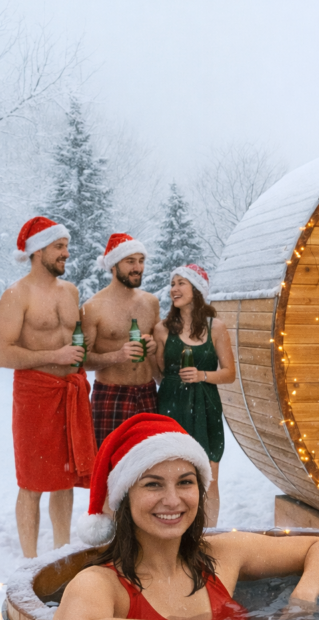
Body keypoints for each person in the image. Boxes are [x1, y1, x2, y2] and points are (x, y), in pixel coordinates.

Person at [50, 414, 319, 620]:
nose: (172, 500)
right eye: (153, 484)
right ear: (124, 498)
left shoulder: (222, 553)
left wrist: (301, 601)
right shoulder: (101, 583)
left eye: (185, 482)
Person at [0, 216, 97, 557]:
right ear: (38, 250)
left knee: (65, 478)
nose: (66, 253)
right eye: (59, 247)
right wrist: (54, 355)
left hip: (71, 392)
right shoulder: (16, 295)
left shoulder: (70, 291)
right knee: (32, 481)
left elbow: (79, 339)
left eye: (66, 246)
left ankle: (61, 553)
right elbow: (3, 352)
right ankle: (29, 561)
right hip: (35, 394)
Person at [154, 264, 235, 527]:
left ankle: (208, 534)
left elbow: (229, 373)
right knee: (174, 473)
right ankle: (178, 531)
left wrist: (202, 376)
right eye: (172, 284)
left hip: (205, 405)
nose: (174, 289)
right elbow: (159, 373)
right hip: (171, 405)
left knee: (208, 475)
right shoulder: (162, 329)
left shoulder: (216, 327)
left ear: (197, 290)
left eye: (181, 283)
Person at [81, 233, 159, 446]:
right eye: (130, 261)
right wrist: (117, 355)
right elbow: (82, 360)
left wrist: (154, 347)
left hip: (148, 393)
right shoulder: (93, 307)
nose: (138, 267)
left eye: (141, 261)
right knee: (109, 460)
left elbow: (158, 353)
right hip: (111, 395)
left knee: (150, 460)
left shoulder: (151, 303)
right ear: (113, 265)